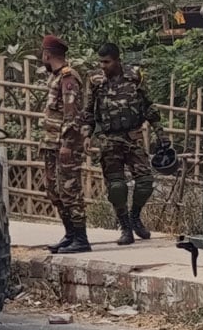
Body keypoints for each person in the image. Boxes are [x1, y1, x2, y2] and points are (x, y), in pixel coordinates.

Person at [84, 43, 165, 245]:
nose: (103, 66)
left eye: (107, 62)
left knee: (145, 182)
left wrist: (160, 133)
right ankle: (125, 227)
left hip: (132, 136)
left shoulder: (134, 76)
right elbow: (88, 111)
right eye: (100, 62)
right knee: (117, 187)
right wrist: (87, 134)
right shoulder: (95, 81)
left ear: (117, 60)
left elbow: (149, 106)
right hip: (108, 139)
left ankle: (135, 216)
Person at [40, 34, 89, 254]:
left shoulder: (68, 78)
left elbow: (72, 114)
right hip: (51, 144)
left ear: (47, 54)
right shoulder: (56, 77)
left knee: (70, 190)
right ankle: (69, 235)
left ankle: (81, 238)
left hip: (65, 145)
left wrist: (68, 143)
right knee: (54, 191)